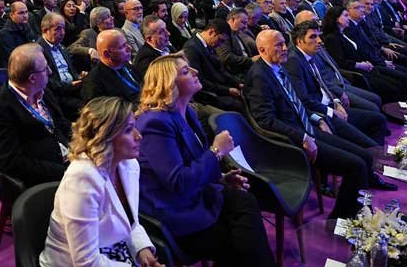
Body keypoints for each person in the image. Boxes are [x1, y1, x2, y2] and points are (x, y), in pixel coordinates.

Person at [135, 55, 274, 266]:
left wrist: (220, 178)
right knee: (237, 245)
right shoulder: (155, 123)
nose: (195, 72)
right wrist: (216, 151)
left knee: (246, 200)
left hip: (197, 195)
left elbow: (194, 162)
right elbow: (178, 181)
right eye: (185, 71)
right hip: (175, 210)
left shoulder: (188, 112)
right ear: (168, 84)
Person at [244, 30, 374, 219]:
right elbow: (266, 121)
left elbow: (297, 104)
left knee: (365, 156)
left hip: (307, 128)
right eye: (278, 45)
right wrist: (303, 137)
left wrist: (318, 119)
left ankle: (356, 212)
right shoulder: (259, 76)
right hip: (292, 140)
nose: (284, 48)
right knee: (357, 166)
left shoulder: (278, 67)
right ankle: (342, 219)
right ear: (262, 50)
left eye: (284, 43)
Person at [39, 96, 160, 266]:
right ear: (104, 137)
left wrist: (142, 250)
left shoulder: (128, 165)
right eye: (128, 130)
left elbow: (130, 221)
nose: (138, 136)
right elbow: (86, 262)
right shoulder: (82, 179)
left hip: (111, 250)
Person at [284, 21, 388, 146]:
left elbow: (322, 83)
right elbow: (304, 100)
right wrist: (331, 111)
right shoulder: (294, 61)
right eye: (313, 37)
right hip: (322, 113)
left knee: (378, 119)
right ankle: (375, 156)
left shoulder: (309, 54)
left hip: (330, 104)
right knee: (374, 129)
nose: (320, 41)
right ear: (300, 41)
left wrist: (336, 101)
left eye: (319, 36)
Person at [0, 43, 72, 187]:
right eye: (45, 68)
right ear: (32, 78)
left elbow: (61, 124)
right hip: (44, 178)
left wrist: (83, 146)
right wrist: (63, 171)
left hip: (67, 157)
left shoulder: (43, 90)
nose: (50, 72)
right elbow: (13, 162)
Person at [181, 19, 245, 113]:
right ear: (211, 32)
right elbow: (200, 81)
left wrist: (237, 83)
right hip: (206, 95)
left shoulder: (208, 45)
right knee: (239, 105)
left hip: (217, 87)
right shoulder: (191, 49)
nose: (221, 44)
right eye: (220, 40)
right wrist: (227, 90)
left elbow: (220, 70)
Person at [37, 13, 84, 121]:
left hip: (73, 89)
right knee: (87, 108)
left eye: (63, 28)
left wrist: (78, 77)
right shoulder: (39, 51)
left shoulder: (62, 48)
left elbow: (70, 71)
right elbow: (46, 82)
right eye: (57, 29)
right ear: (45, 30)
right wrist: (69, 85)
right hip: (58, 96)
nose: (62, 33)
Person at [81, 29, 142, 105]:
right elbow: (104, 114)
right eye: (122, 47)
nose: (129, 48)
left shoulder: (125, 65)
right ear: (107, 54)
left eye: (126, 44)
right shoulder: (93, 82)